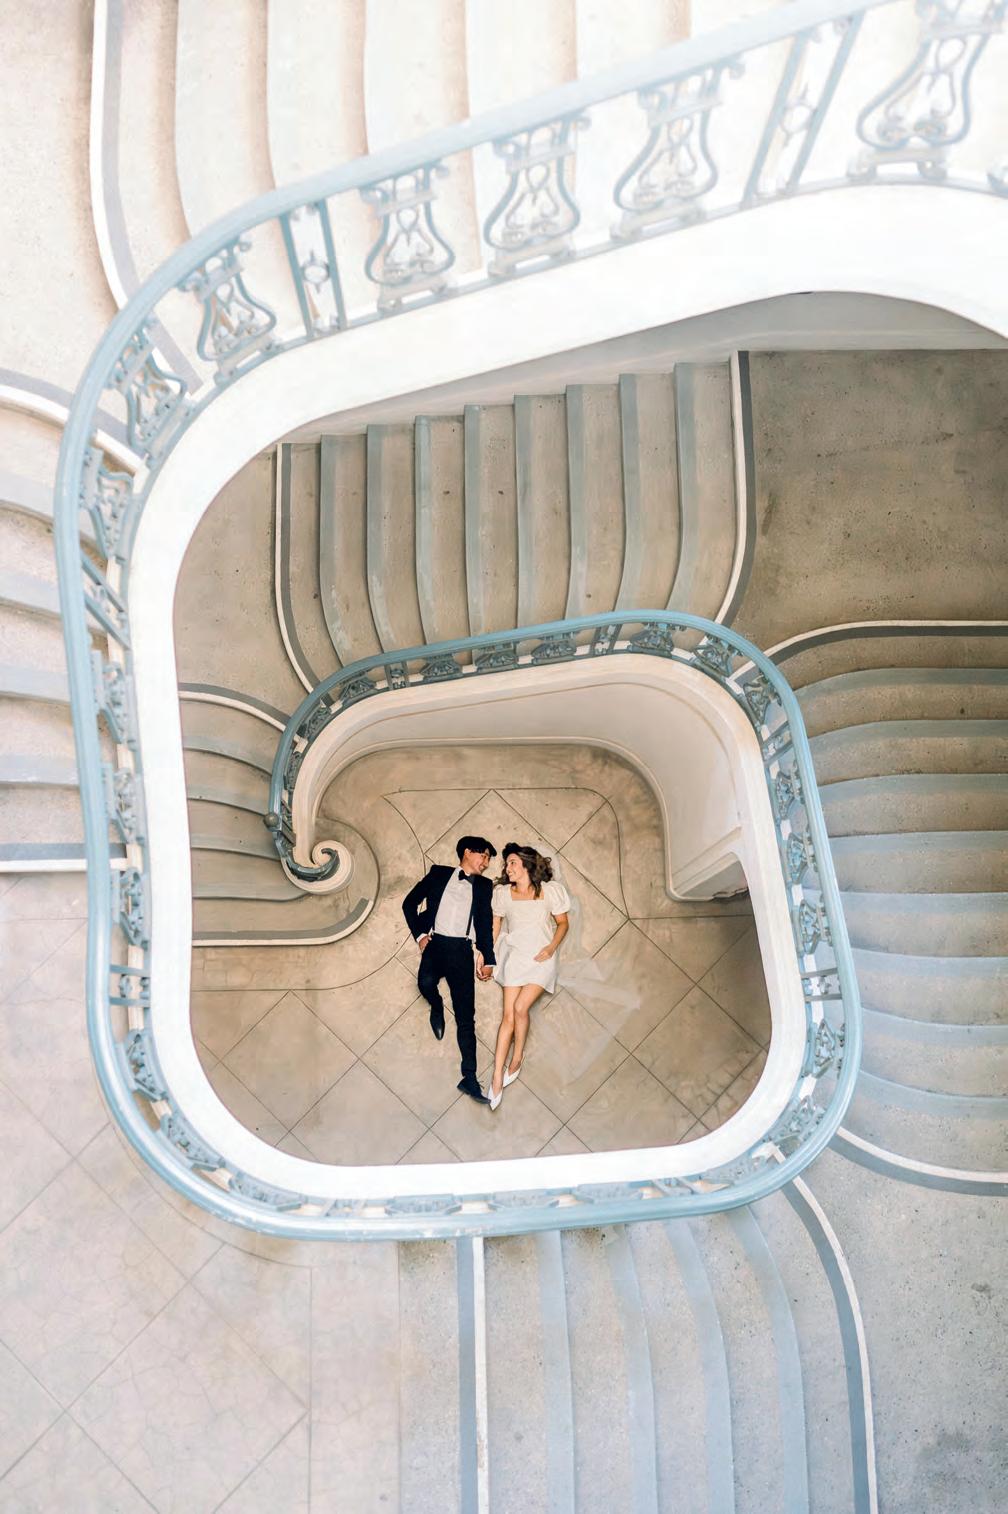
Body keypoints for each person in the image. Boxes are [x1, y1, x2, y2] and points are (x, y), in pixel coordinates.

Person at [401, 835, 498, 1104]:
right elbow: (409, 903)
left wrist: (488, 959)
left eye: (488, 859)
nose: (486, 863)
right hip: (435, 944)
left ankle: (470, 1078)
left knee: (466, 1017)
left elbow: (485, 924)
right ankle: (436, 1005)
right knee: (424, 984)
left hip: (461, 952)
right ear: (467, 852)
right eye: (483, 856)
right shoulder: (439, 874)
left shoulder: (484, 886)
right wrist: (420, 935)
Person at [488, 842, 570, 1110]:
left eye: (512, 862)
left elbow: (563, 923)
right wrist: (486, 955)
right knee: (508, 1017)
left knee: (521, 1008)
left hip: (540, 959)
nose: (507, 868)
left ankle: (517, 1057)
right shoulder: (502, 894)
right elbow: (495, 927)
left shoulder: (549, 891)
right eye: (506, 864)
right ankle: (496, 1075)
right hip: (515, 957)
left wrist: (551, 948)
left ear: (526, 864)